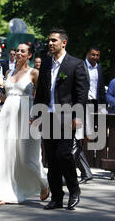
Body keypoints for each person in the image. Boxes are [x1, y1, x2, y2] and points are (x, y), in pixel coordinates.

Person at [0, 42, 49, 205]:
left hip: (27, 116)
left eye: (22, 51)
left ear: (29, 55)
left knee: (27, 156)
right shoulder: (9, 72)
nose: (18, 53)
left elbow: (41, 97)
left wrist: (37, 116)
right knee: (8, 154)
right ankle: (8, 192)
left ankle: (44, 184)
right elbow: (6, 97)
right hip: (7, 116)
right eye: (17, 50)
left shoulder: (34, 73)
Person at [32, 28, 89, 210]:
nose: (50, 43)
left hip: (66, 115)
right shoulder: (47, 63)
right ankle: (56, 197)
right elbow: (41, 91)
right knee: (51, 158)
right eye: (49, 40)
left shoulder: (76, 64)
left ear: (63, 43)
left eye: (54, 40)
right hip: (47, 115)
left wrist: (78, 117)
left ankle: (74, 189)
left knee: (63, 154)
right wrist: (35, 114)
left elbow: (81, 94)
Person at [74, 46, 106, 183]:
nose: (95, 57)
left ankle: (85, 172)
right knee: (76, 139)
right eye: (93, 54)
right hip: (82, 104)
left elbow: (101, 88)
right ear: (87, 54)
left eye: (97, 55)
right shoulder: (80, 66)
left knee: (81, 139)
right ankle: (84, 172)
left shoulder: (99, 68)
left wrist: (103, 108)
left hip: (94, 105)